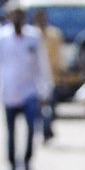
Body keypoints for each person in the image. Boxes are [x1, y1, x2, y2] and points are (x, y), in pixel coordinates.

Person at [0, 4, 54, 170]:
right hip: (8, 91)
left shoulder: (33, 37)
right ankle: (12, 166)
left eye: (19, 16)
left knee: (31, 129)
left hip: (29, 91)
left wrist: (45, 90)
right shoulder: (0, 37)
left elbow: (42, 65)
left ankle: (28, 162)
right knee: (11, 131)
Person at [29, 8, 64, 140]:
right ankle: (43, 130)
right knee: (38, 109)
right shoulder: (30, 35)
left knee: (51, 107)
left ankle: (48, 128)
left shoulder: (54, 34)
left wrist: (61, 75)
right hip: (35, 79)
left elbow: (59, 56)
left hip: (52, 77)